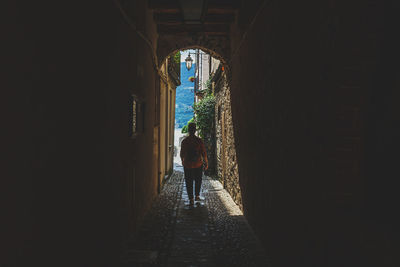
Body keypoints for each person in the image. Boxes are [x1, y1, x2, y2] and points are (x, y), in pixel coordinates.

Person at [180, 122, 208, 205]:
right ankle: (197, 195)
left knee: (188, 181)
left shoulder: (184, 141)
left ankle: (191, 198)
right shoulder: (199, 141)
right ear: (195, 130)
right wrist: (206, 163)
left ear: (188, 130)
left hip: (187, 164)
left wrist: (183, 161)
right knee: (198, 180)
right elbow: (204, 153)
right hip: (198, 164)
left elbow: (182, 154)